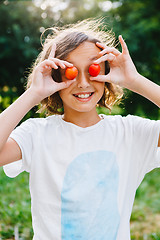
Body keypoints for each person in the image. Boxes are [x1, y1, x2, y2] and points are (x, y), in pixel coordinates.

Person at [0, 18, 160, 240]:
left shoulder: (129, 133)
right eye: (71, 72)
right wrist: (34, 94)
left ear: (106, 74)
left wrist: (134, 80)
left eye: (93, 70)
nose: (84, 83)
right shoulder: (36, 134)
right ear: (55, 76)